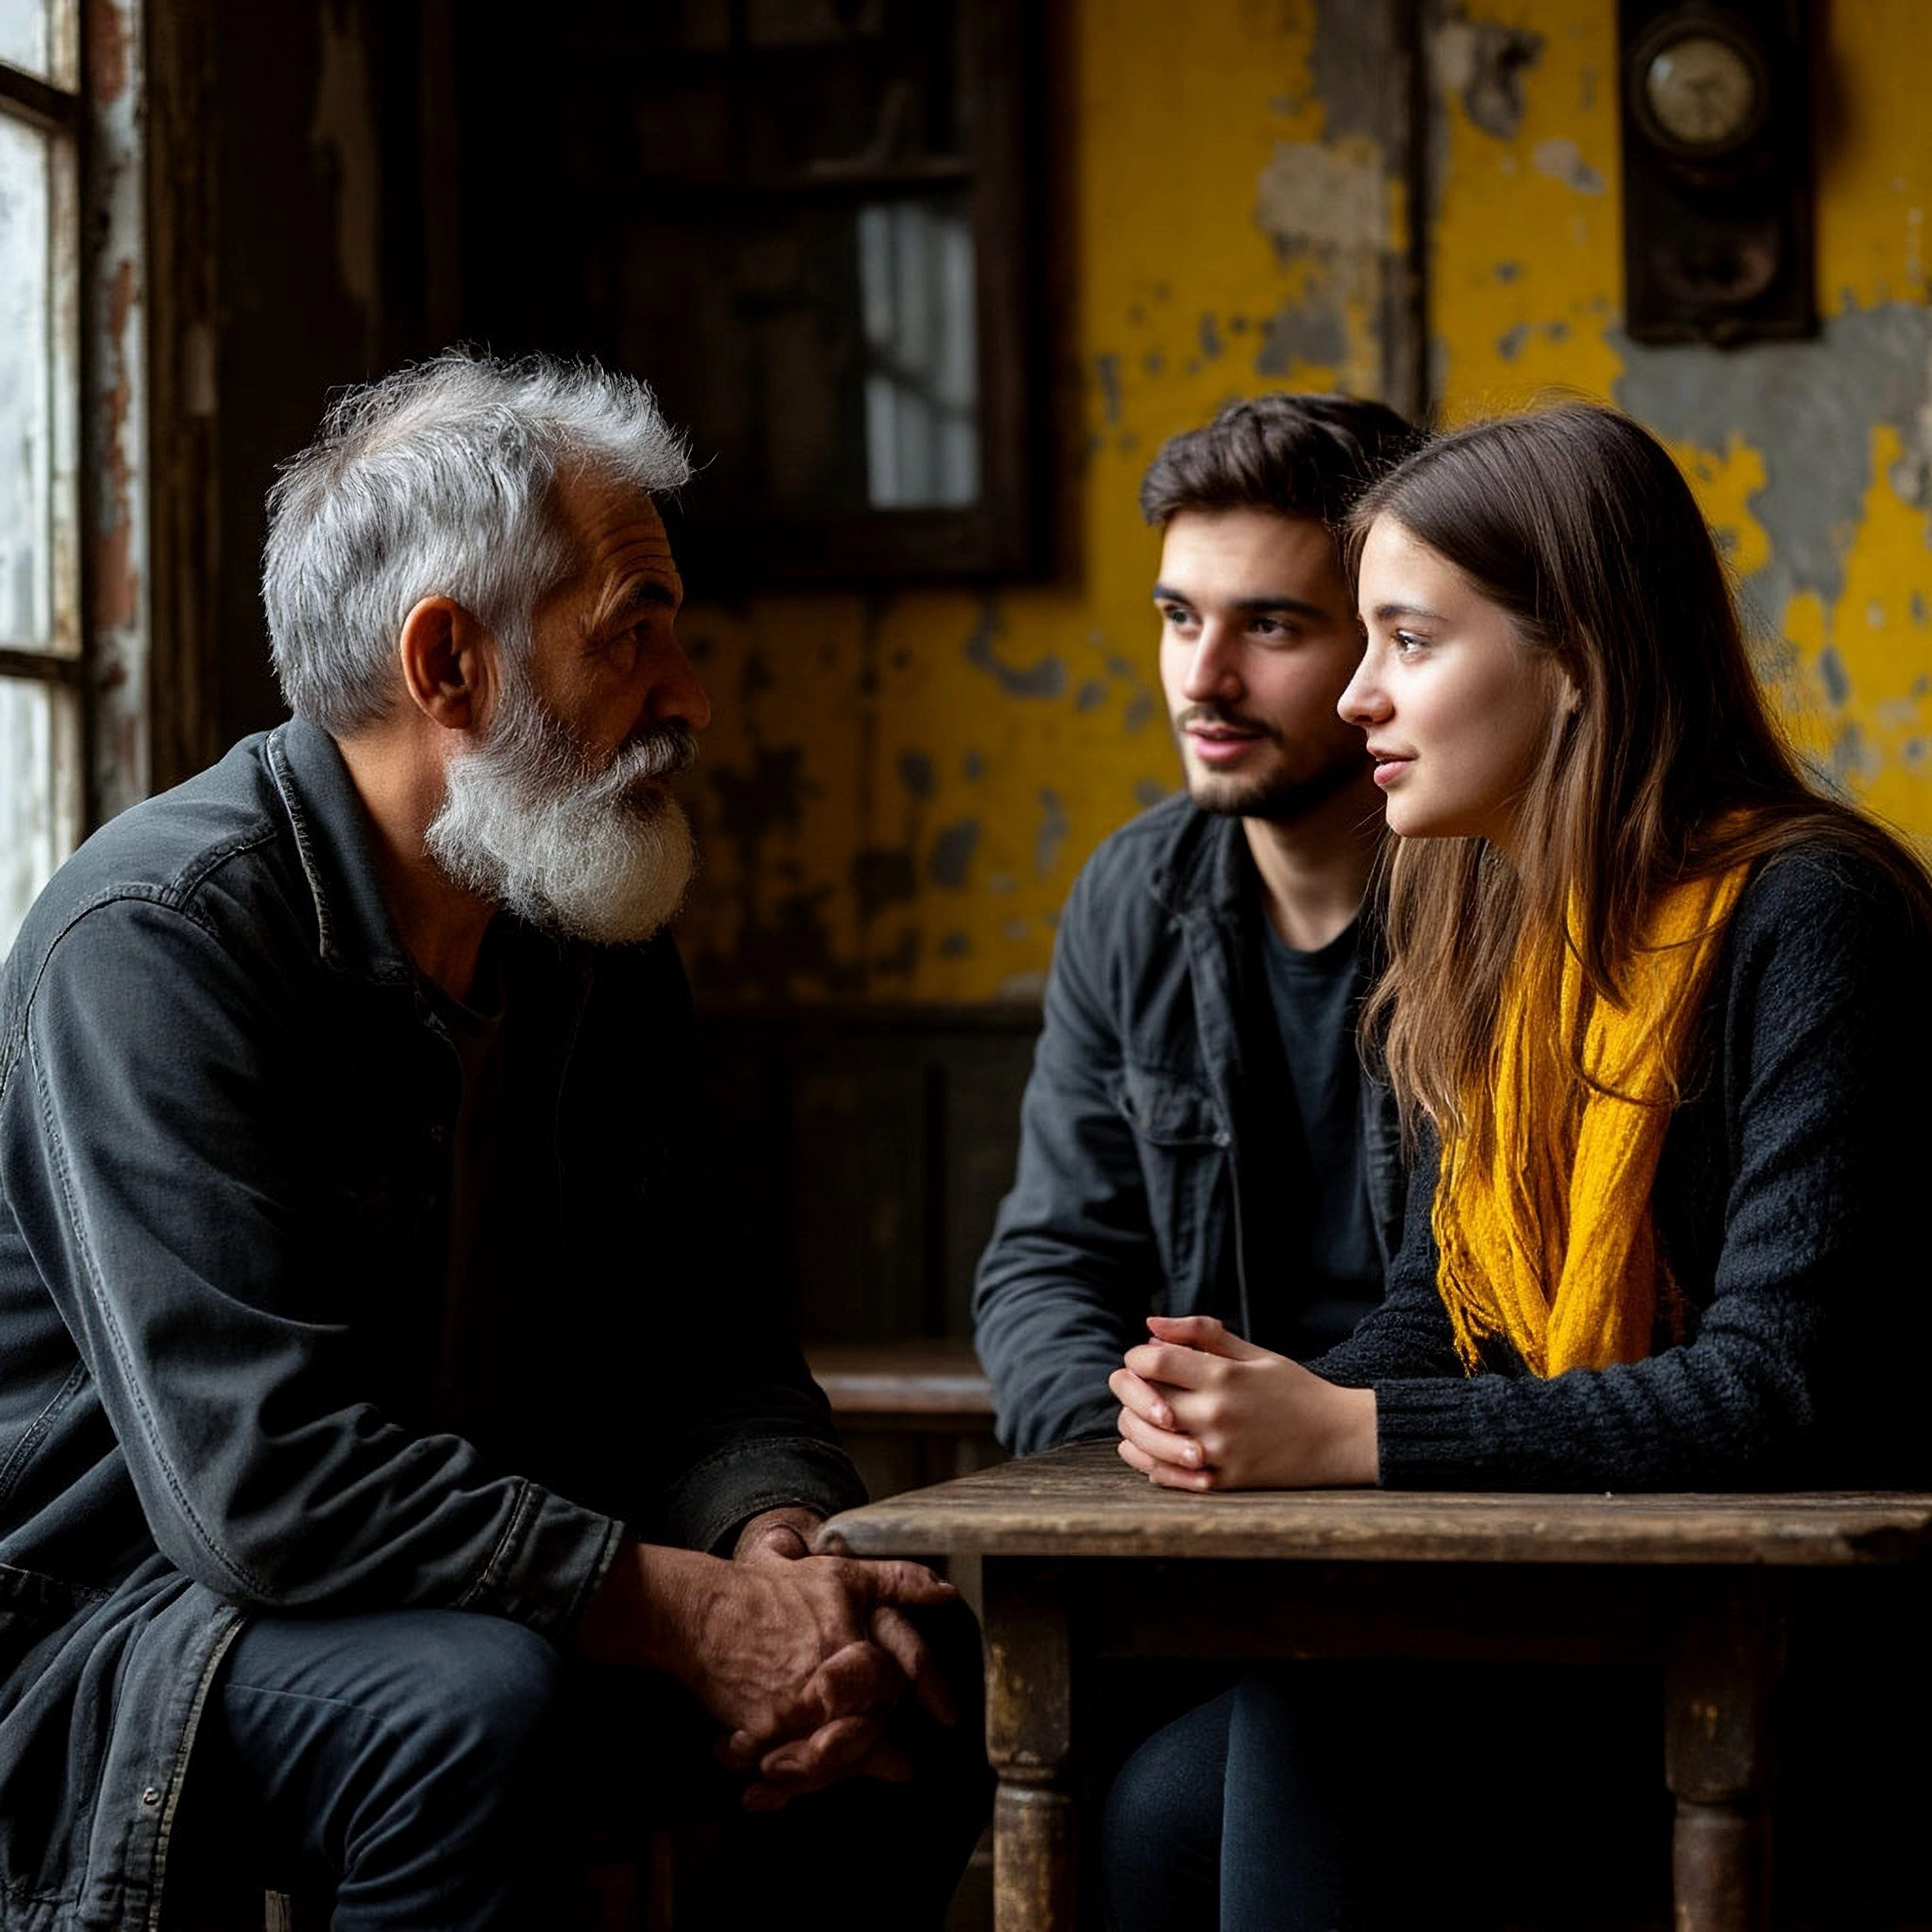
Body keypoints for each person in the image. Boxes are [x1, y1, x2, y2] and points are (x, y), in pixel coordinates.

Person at [0, 348, 989, 1932]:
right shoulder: (152, 936)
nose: (688, 691)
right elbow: (258, 1482)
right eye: (633, 632)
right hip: (126, 1624)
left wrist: (777, 1548)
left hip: (481, 1579)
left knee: (914, 1681)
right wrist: (682, 1609)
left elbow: (701, 1322)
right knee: (468, 1713)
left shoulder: (580, 916)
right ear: (447, 661)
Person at [1099, 398, 1932, 1928]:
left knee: (1305, 1723)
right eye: (1355, 643)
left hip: (1792, 1645)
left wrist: (1349, 1433)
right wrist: (1252, 1402)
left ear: (1573, 664)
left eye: (1406, 641)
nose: (1355, 696)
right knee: (1158, 1797)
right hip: (1579, 1608)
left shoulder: (1810, 920)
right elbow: (1445, 1308)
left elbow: (1772, 1388)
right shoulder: (1489, 924)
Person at [972, 392, 1423, 1457]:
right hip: (1196, 1497)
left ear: (1387, 649)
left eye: (1269, 626)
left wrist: (1295, 1445)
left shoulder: (1504, 903)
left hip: (1443, 1480)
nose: (1204, 680)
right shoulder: (1135, 896)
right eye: (1181, 618)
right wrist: (1128, 1455)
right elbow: (1049, 1265)